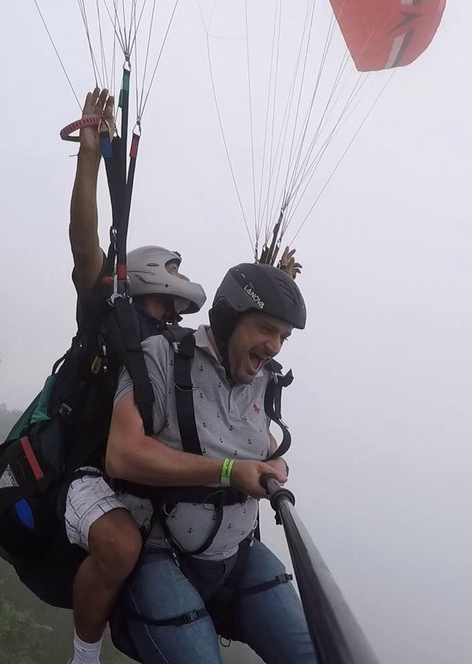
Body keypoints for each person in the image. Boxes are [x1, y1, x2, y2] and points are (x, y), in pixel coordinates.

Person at [104, 262, 316, 664]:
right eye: (266, 329)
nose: (274, 347)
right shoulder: (161, 356)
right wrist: (227, 472)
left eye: (283, 337)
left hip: (238, 552)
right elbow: (122, 453)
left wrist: (274, 462)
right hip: (160, 548)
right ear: (230, 317)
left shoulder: (263, 379)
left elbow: (250, 432)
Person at [61, 87, 207, 664]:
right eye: (175, 268)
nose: (181, 279)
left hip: (142, 477)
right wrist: (91, 155)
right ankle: (82, 656)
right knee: (121, 545)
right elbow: (85, 246)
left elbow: (227, 352)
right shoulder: (108, 312)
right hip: (88, 471)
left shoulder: (178, 344)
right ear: (150, 272)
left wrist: (266, 285)